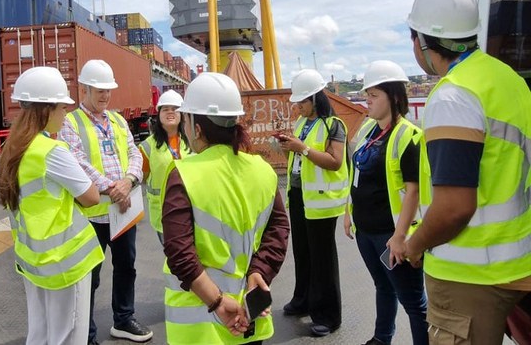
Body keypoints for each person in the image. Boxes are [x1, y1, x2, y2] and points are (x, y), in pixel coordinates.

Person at [402, 0, 531, 344]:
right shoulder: (508, 79)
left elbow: (454, 207)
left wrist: (415, 245)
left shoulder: (455, 95)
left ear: (423, 41)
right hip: (519, 260)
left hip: (469, 276)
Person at [162, 72, 290, 345]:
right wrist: (260, 272)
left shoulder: (184, 174)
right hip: (249, 312)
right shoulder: (263, 170)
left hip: (200, 322)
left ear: (196, 128)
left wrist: (218, 301)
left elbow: (179, 252)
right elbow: (278, 228)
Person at [0, 66, 104, 345]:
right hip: (66, 262)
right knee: (68, 337)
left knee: (40, 334)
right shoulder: (52, 151)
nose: (66, 113)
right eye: (62, 107)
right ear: (46, 110)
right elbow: (91, 196)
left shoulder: (14, 148)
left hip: (33, 260)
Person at [58, 59, 153, 345]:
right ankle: (85, 336)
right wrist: (113, 188)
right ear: (83, 88)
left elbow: (134, 153)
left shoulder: (118, 120)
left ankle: (123, 319)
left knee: (127, 267)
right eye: (98, 89)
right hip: (91, 215)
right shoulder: (70, 122)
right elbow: (78, 162)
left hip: (122, 212)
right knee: (90, 276)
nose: (104, 95)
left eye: (107, 90)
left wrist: (129, 182)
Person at [343, 60, 428, 345]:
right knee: (383, 286)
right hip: (365, 230)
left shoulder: (408, 136)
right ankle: (382, 338)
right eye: (366, 94)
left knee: (414, 302)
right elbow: (355, 173)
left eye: (373, 95)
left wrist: (400, 236)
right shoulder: (368, 130)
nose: (367, 100)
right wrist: (348, 212)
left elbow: (413, 191)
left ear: (393, 97)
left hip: (390, 233)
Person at [277, 69, 348, 337]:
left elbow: (335, 161)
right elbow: (298, 158)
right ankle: (303, 300)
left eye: (302, 102)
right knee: (303, 253)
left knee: (323, 260)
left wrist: (303, 149)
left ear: (316, 99)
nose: (298, 107)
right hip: (300, 196)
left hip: (321, 202)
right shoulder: (301, 123)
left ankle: (328, 316)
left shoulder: (334, 125)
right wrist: (288, 145)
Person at [139, 89, 192, 245]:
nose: (170, 112)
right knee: (176, 259)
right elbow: (143, 177)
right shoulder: (147, 147)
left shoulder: (192, 141)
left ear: (182, 113)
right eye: (166, 109)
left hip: (192, 209)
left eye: (175, 109)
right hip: (164, 214)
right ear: (159, 114)